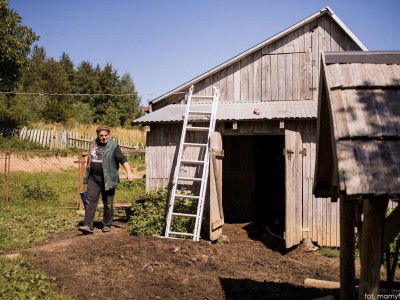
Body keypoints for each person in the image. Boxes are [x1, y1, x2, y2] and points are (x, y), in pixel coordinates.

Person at [78, 125, 134, 234]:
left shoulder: (113, 146)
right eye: (101, 135)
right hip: (93, 178)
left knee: (108, 203)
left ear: (109, 135)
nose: (103, 137)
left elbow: (123, 159)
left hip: (108, 179)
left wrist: (129, 172)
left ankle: (107, 224)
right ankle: (88, 225)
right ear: (98, 135)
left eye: (105, 135)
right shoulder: (93, 144)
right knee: (90, 202)